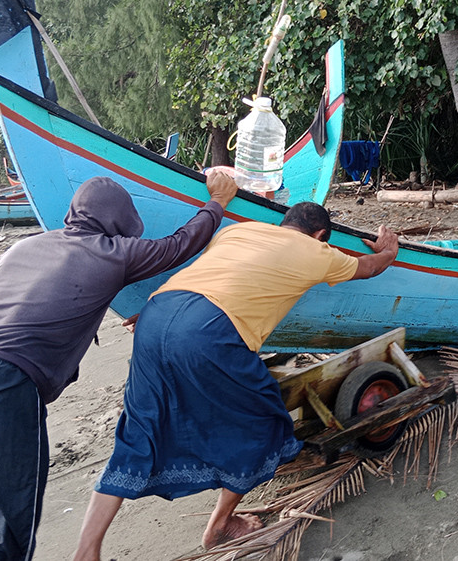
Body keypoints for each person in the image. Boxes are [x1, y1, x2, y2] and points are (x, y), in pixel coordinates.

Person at [0, 173, 237, 560]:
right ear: (122, 218)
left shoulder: (24, 246)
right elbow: (179, 245)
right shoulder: (112, 251)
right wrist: (217, 202)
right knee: (5, 523)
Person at [72, 203, 400, 559]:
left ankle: (86, 550)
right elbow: (370, 267)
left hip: (156, 314)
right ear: (321, 235)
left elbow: (216, 277)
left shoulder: (237, 230)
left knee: (139, 431)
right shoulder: (316, 251)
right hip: (207, 331)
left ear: (284, 223)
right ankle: (220, 525)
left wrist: (168, 321)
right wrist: (389, 249)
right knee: (263, 422)